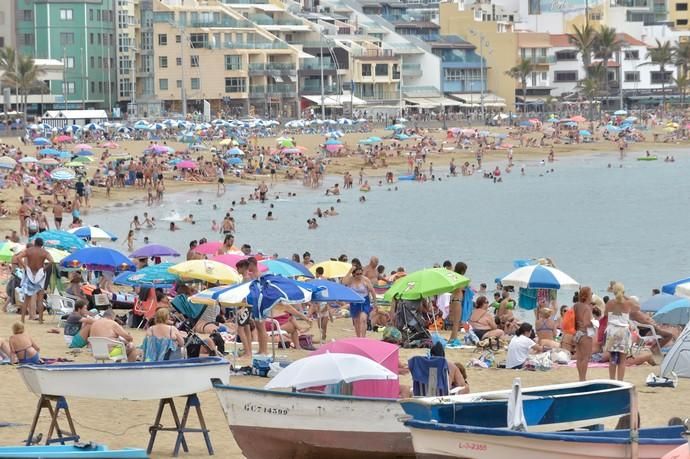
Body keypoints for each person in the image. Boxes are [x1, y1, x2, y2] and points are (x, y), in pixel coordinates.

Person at [12, 239, 54, 323]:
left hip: (30, 273)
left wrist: (25, 266)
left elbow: (18, 257)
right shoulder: (44, 252)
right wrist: (44, 269)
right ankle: (40, 320)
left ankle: (22, 319)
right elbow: (52, 261)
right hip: (39, 274)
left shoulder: (29, 250)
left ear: (35, 243)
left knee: (27, 299)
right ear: (42, 244)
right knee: (40, 299)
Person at [604, 283, 634, 381]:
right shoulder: (627, 303)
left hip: (612, 331)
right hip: (623, 331)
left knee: (612, 358)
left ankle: (612, 380)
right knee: (622, 360)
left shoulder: (609, 303)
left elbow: (605, 315)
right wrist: (625, 296)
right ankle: (620, 381)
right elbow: (637, 306)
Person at [343, 265, 377, 338]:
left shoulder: (365, 280)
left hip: (364, 301)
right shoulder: (351, 280)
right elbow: (343, 282)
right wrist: (350, 271)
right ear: (354, 274)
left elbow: (372, 291)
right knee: (356, 321)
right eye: (357, 274)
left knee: (363, 319)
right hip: (354, 302)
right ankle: (358, 337)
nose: (359, 276)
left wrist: (375, 303)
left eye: (361, 273)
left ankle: (363, 338)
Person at [574, 286, 594, 381]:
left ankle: (580, 378)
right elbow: (586, 323)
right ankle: (583, 378)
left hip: (577, 332)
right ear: (587, 295)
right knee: (585, 357)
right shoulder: (587, 308)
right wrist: (594, 323)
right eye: (591, 293)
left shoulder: (576, 305)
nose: (592, 295)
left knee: (579, 357)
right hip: (585, 333)